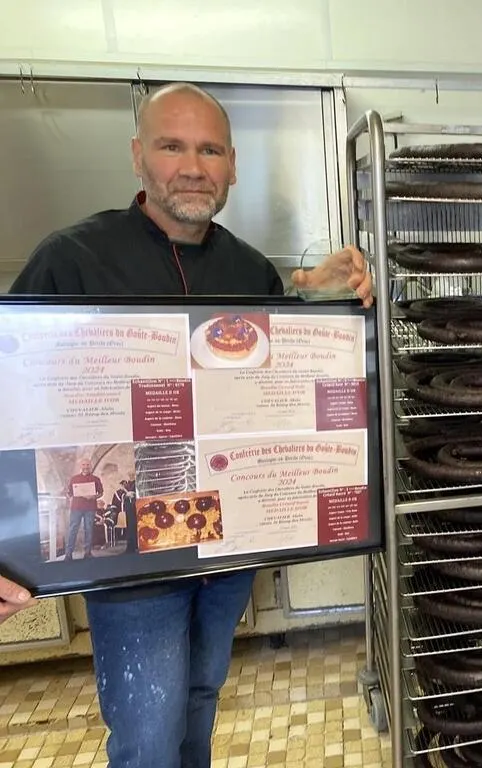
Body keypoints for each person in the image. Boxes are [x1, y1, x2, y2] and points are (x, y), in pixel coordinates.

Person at [9, 82, 373, 768]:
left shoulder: (249, 269)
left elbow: (279, 381)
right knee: (148, 737)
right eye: (172, 146)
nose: (192, 167)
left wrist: (314, 295)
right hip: (135, 563)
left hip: (226, 550)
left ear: (232, 165)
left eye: (210, 150)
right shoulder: (72, 259)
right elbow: (11, 404)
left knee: (200, 698)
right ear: (137, 156)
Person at [65, 458, 102, 560]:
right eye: (84, 465)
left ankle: (87, 553)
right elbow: (69, 493)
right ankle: (68, 554)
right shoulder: (74, 479)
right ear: (81, 466)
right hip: (76, 508)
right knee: (73, 529)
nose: (86, 467)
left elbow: (101, 493)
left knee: (89, 529)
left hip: (90, 508)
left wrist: (94, 496)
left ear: (90, 466)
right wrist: (69, 495)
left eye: (88, 465)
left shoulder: (96, 479)